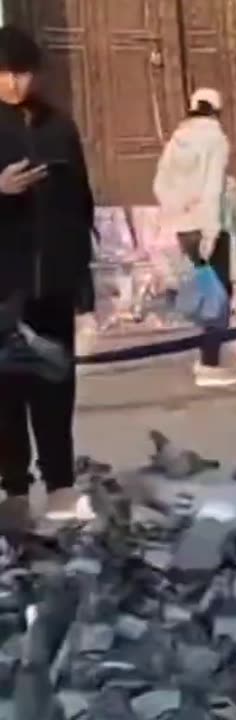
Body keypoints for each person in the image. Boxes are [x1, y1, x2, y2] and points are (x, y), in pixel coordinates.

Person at [0, 26, 95, 525]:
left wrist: (82, 279)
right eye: (4, 73)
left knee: (56, 388)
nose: (14, 83)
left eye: (22, 72)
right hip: (4, 286)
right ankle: (13, 486)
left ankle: (60, 482)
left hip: (53, 280)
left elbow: (81, 203)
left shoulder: (60, 126)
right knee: (7, 392)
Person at [154, 87, 236, 388]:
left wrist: (178, 211)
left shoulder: (177, 139)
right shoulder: (215, 138)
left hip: (184, 226)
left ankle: (206, 355)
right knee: (218, 293)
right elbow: (212, 188)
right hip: (207, 224)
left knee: (204, 289)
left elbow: (160, 185)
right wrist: (212, 230)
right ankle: (210, 363)